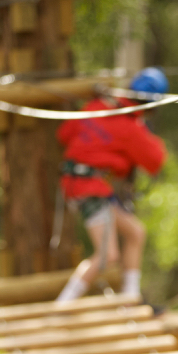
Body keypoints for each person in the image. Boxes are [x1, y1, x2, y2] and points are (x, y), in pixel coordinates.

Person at [55, 68, 169, 302]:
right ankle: (61, 307)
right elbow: (156, 160)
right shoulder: (131, 127)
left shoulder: (96, 106)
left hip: (83, 185)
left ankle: (131, 299)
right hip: (90, 189)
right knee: (107, 255)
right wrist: (144, 131)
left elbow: (64, 134)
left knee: (135, 232)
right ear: (153, 106)